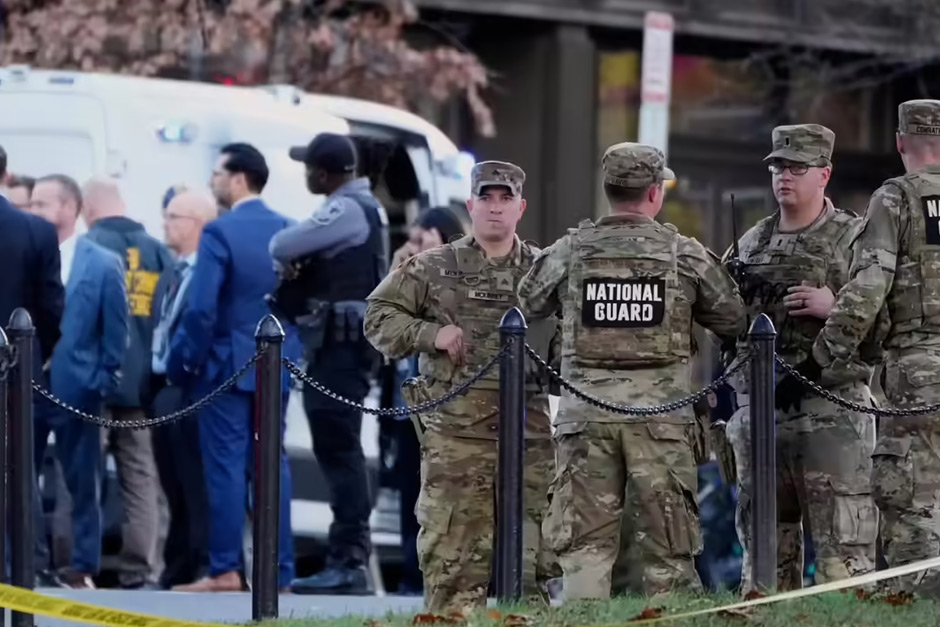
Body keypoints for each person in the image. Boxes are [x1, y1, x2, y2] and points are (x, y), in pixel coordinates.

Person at [517, 143, 746, 600]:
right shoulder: (684, 254)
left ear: (608, 191)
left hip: (585, 420)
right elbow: (735, 318)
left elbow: (526, 301)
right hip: (660, 425)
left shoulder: (570, 250)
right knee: (669, 555)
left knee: (584, 553)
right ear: (654, 193)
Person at [364, 161, 559, 613]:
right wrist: (430, 335)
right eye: (486, 199)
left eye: (505, 199)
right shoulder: (432, 267)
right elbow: (377, 317)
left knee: (531, 567)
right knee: (453, 568)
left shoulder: (544, 270)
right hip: (457, 439)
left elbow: (574, 329)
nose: (495, 208)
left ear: (521, 207)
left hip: (528, 439)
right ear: (470, 205)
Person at [785, 99, 940, 596]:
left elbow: (869, 287)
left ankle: (915, 601)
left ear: (899, 142)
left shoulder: (895, 198)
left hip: (916, 372)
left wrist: (827, 357)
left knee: (912, 501)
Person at [721, 124, 879, 593]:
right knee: (764, 559)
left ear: (824, 174)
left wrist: (836, 306)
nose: (784, 177)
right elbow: (724, 324)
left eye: (796, 168)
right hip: (764, 417)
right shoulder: (751, 242)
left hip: (832, 415)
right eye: (777, 167)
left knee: (843, 560)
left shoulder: (856, 239)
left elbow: (884, 318)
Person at [169, 143, 298, 593]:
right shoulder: (290, 228)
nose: (212, 181)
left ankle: (226, 569)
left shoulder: (219, 232)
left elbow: (201, 309)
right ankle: (279, 572)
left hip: (224, 366)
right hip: (276, 364)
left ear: (239, 178)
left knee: (224, 468)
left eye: (218, 174)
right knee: (272, 465)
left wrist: (181, 362)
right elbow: (299, 305)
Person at [269, 133, 389, 595]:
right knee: (338, 449)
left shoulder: (346, 208)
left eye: (309, 168)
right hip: (339, 347)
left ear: (323, 173)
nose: (305, 175)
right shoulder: (364, 208)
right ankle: (347, 559)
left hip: (341, 350)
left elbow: (282, 245)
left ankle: (349, 562)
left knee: (340, 452)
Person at [30, 174, 129, 589]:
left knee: (83, 479)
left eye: (41, 203)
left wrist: (101, 380)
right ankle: (28, 560)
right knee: (19, 474)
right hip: (29, 384)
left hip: (78, 387)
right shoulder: (29, 254)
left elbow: (115, 331)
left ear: (70, 208)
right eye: (31, 203)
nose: (32, 210)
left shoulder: (102, 262)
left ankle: (83, 565)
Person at [82, 176, 174, 589]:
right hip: (141, 387)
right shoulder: (157, 250)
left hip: (92, 384)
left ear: (88, 208)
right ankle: (140, 568)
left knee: (82, 474)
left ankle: (76, 566)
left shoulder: (87, 247)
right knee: (140, 477)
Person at [386, 207, 467, 596]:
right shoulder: (409, 276)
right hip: (408, 406)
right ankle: (408, 570)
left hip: (446, 407)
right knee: (409, 492)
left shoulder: (453, 276)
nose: (412, 247)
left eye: (423, 238)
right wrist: (398, 272)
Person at [150, 188, 218, 589]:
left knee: (195, 482)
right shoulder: (173, 271)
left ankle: (199, 560)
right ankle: (176, 564)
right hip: (163, 387)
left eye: (174, 216)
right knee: (170, 482)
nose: (166, 223)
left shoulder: (205, 273)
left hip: (191, 388)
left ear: (197, 223)